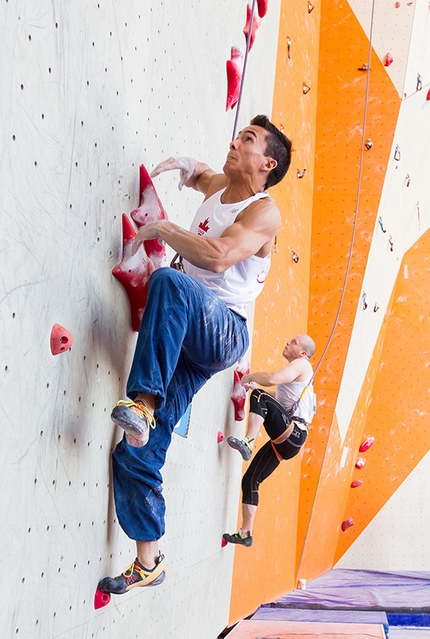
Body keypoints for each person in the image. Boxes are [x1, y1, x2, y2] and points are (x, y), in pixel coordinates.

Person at [98, 115, 292, 595]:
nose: (235, 141)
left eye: (247, 139)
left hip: (223, 330)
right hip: (183, 330)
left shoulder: (265, 212)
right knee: (137, 452)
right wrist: (183, 167)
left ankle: (142, 401)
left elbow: (221, 255)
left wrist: (164, 229)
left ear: (268, 163)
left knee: (171, 280)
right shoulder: (222, 183)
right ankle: (150, 561)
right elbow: (204, 175)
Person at [223, 333, 316, 548]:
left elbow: (273, 378)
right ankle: (246, 533)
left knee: (260, 397)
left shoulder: (302, 364)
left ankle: (248, 441)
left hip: (293, 432)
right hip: (292, 441)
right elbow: (280, 395)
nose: (287, 342)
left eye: (293, 342)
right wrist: (259, 387)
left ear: (303, 353)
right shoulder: (301, 375)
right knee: (251, 480)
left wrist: (248, 378)